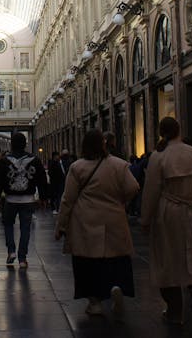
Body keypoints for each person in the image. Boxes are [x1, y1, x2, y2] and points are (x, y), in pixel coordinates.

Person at [141, 117, 192, 325]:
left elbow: (151, 191)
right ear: (179, 130)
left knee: (169, 261)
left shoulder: (158, 156)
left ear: (161, 132)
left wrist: (145, 219)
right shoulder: (191, 152)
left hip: (169, 213)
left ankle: (175, 312)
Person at [55, 129, 139, 316]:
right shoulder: (118, 165)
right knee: (116, 258)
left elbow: (68, 199)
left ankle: (95, 302)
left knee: (88, 262)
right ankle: (116, 286)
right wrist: (121, 201)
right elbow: (133, 187)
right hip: (114, 219)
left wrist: (61, 225)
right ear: (103, 144)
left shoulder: (77, 168)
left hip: (86, 221)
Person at [0, 133, 47, 268]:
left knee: (8, 225)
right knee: (25, 228)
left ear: (12, 144)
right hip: (28, 200)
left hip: (10, 200)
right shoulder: (34, 160)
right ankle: (22, 259)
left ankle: (11, 251)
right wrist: (44, 197)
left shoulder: (4, 161)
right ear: (25, 144)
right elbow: (42, 180)